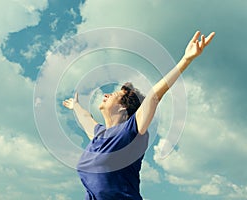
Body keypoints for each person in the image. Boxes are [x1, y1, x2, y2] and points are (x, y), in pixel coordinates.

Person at [63, 30, 215, 200]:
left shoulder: (130, 132)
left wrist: (186, 60)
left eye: (113, 95)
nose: (106, 95)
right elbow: (86, 119)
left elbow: (154, 96)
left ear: (123, 108)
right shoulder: (99, 135)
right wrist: (75, 106)